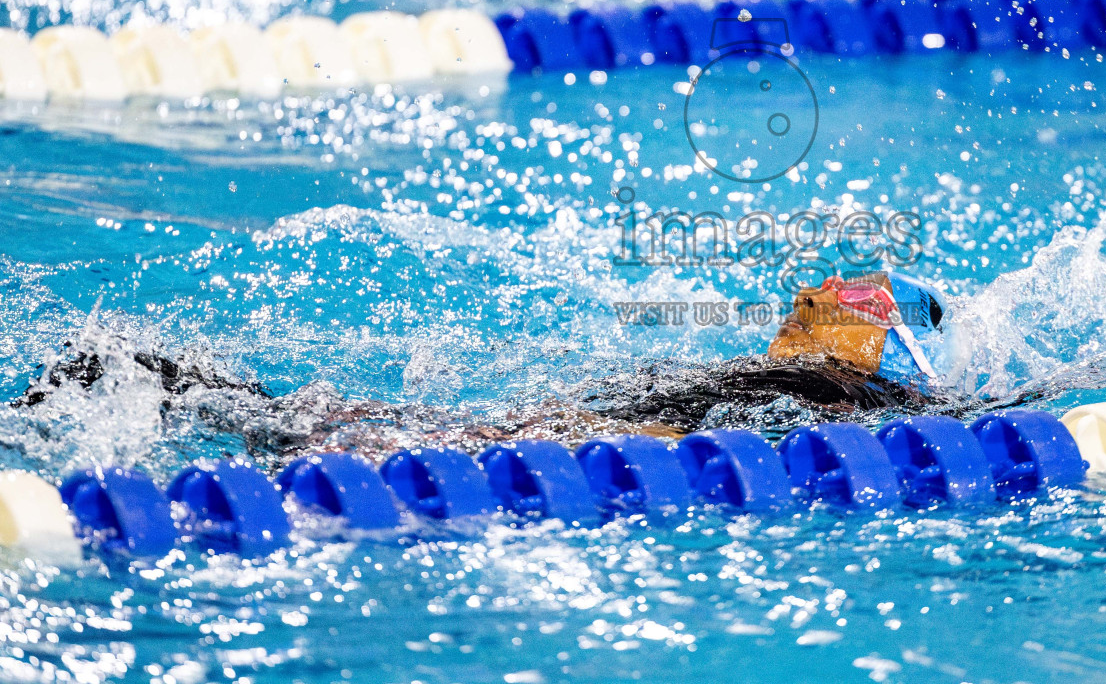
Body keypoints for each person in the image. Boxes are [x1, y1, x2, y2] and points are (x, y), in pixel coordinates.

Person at [13, 270, 975, 465]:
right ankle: (143, 374)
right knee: (312, 434)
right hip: (563, 427)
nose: (798, 310)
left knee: (313, 426)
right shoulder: (816, 390)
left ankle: (145, 373)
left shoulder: (815, 390)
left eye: (818, 308)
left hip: (568, 423)